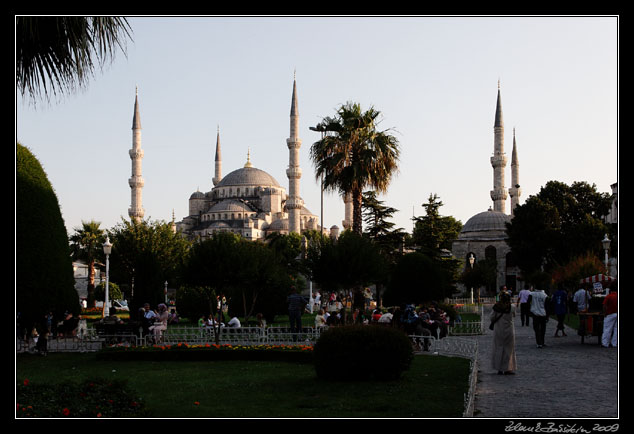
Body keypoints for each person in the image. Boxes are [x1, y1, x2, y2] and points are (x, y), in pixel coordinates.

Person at [490, 291, 516, 375]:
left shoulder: (496, 307)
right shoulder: (512, 307)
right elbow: (514, 315)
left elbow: (492, 317)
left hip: (499, 329)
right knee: (509, 349)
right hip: (509, 329)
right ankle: (508, 368)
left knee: (498, 347)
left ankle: (499, 368)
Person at [601, 283, 617, 348]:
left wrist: (604, 313)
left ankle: (605, 343)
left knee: (607, 329)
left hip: (610, 314)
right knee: (616, 330)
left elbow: (604, 305)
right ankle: (615, 343)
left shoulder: (609, 296)